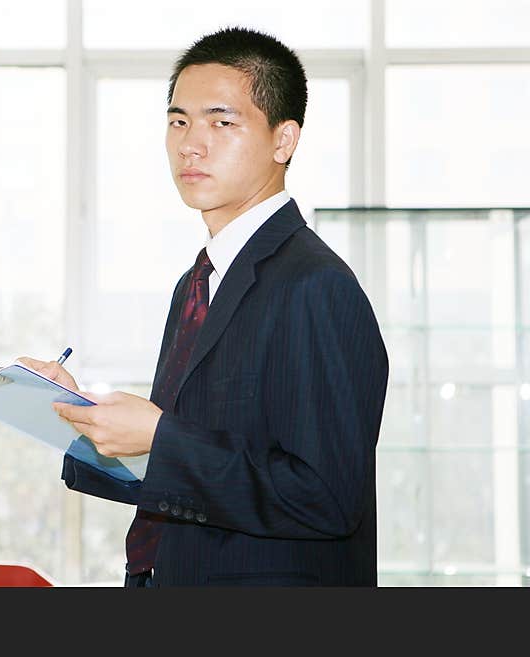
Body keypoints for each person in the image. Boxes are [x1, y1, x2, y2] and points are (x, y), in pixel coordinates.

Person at [19, 26, 388, 587]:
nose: (191, 143)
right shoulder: (198, 281)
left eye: (222, 122)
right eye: (179, 121)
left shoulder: (315, 284)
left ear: (283, 141)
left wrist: (161, 437)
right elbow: (187, 478)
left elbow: (327, 499)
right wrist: (78, 418)